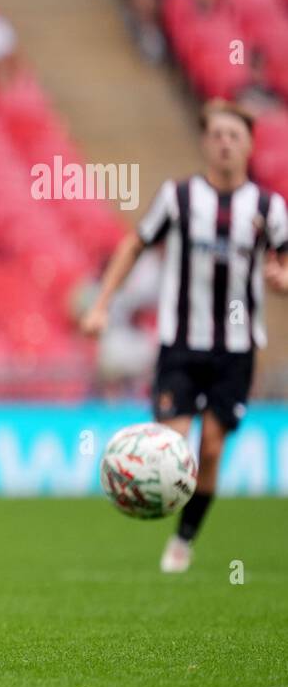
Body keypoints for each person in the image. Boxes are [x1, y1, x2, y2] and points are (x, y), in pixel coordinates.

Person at [81, 100, 288, 572]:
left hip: (236, 349)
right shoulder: (178, 199)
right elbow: (135, 243)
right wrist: (100, 305)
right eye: (217, 134)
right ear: (204, 142)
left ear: (250, 146)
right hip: (180, 344)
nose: (224, 142)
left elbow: (285, 262)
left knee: (211, 449)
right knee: (172, 445)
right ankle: (152, 499)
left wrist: (283, 279)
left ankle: (184, 539)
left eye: (234, 135)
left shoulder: (268, 207)